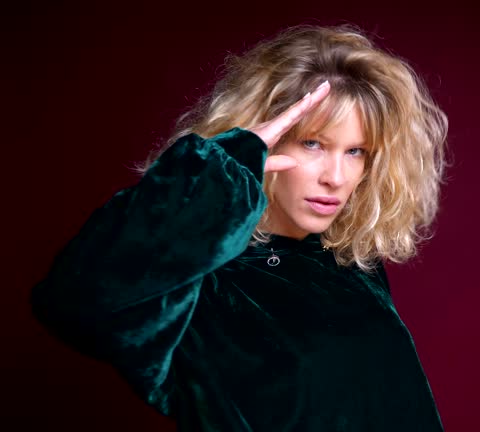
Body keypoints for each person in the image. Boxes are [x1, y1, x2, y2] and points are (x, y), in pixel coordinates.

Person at [30, 24, 448, 431]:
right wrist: (224, 167)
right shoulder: (200, 277)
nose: (336, 177)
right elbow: (72, 302)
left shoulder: (350, 262)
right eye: (313, 143)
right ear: (268, 136)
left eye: (355, 151)